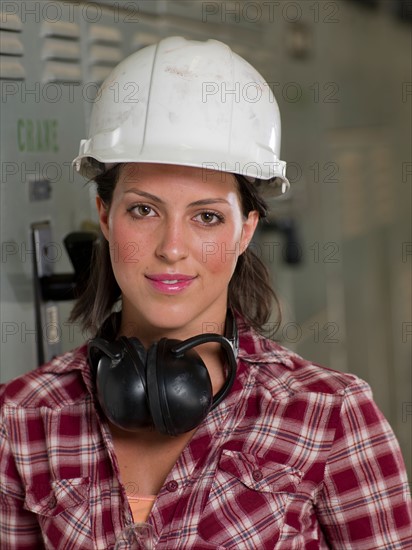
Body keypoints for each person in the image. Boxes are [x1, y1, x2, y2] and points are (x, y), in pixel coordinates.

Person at [0, 36, 410, 550]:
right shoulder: (22, 417)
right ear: (105, 217)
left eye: (207, 217)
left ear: (245, 231)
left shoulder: (329, 414)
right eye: (144, 210)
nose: (172, 248)